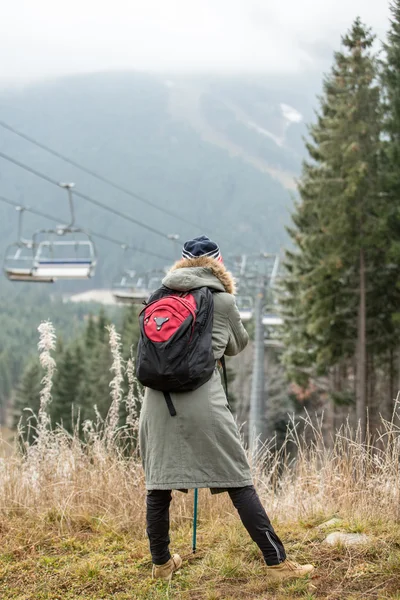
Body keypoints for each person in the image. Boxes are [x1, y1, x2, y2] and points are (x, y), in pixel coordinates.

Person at [139, 235, 314, 581]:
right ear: (219, 264)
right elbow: (238, 344)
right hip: (203, 400)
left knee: (158, 485)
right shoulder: (223, 301)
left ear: (183, 263)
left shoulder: (158, 296)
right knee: (238, 480)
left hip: (156, 403)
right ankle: (276, 563)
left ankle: (161, 564)